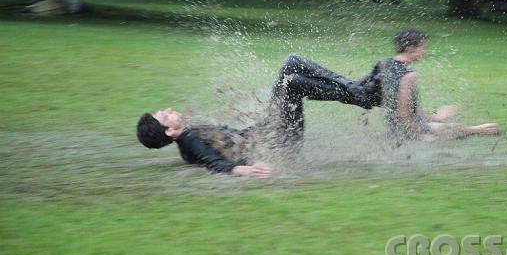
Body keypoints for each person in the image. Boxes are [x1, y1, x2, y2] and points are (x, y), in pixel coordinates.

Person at [136, 54, 375, 178]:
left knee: (293, 73)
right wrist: (242, 170)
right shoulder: (189, 141)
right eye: (163, 115)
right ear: (169, 131)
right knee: (292, 74)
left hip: (272, 131)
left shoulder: (189, 137)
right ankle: (359, 91)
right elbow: (214, 163)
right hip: (281, 142)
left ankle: (357, 91)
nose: (167, 109)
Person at [375, 28, 499, 147]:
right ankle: (477, 130)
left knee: (450, 110)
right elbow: (403, 110)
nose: (424, 52)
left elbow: (390, 100)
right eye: (423, 48)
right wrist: (419, 134)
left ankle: (440, 120)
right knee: (453, 128)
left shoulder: (385, 65)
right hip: (406, 127)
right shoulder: (409, 75)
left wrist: (428, 115)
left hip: (393, 122)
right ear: (410, 48)